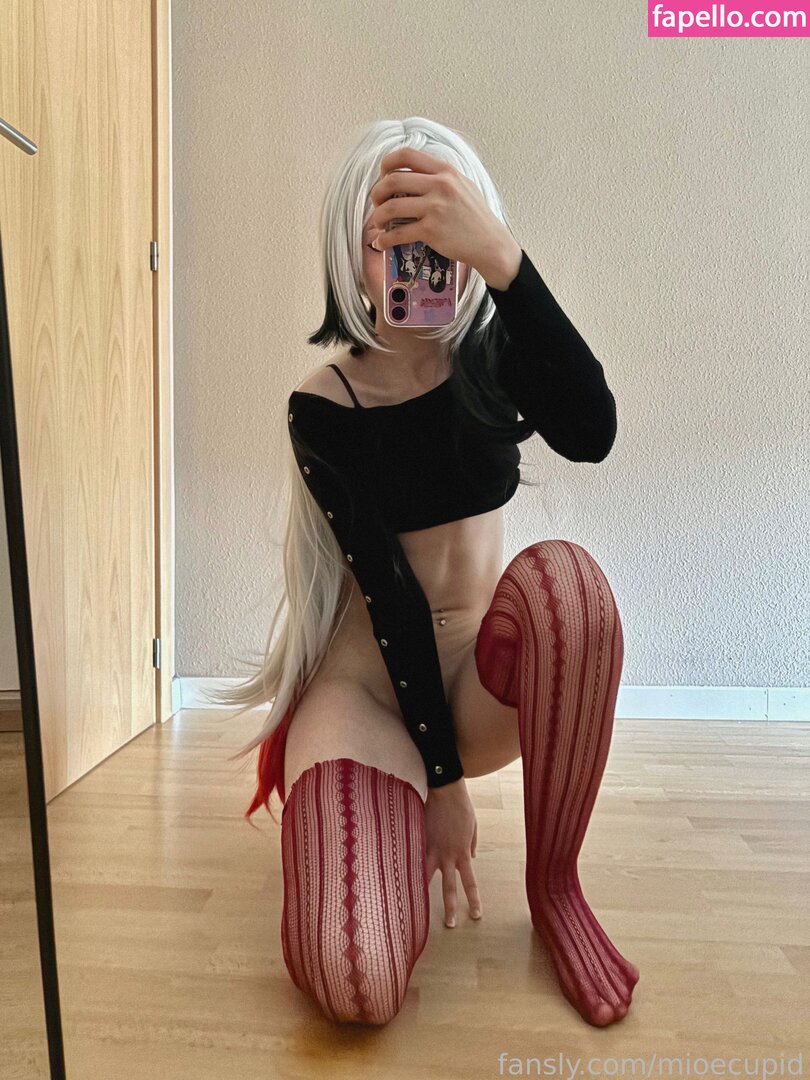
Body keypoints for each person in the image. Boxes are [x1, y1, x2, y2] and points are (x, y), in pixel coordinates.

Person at [213, 117, 638, 1028]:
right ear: (351, 252)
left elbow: (593, 430)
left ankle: (556, 886)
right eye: (390, 239)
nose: (418, 263)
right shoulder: (325, 407)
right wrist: (441, 787)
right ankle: (380, 818)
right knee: (356, 982)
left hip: (482, 680)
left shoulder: (495, 356)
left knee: (571, 589)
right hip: (373, 694)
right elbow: (391, 596)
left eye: (437, 231)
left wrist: (505, 261)